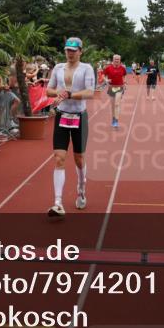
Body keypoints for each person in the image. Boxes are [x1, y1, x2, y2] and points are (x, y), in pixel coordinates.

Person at [45, 37, 95, 218]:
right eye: (67, 50)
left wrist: (70, 94)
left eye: (73, 50)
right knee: (59, 158)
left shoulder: (86, 68)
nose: (70, 53)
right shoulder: (58, 68)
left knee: (79, 159)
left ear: (80, 51)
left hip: (79, 117)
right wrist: (58, 92)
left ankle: (81, 190)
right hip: (62, 116)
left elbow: (90, 92)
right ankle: (58, 202)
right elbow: (48, 90)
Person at [103, 54, 127, 129]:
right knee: (113, 105)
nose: (116, 60)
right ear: (113, 60)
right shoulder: (108, 68)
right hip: (111, 87)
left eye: (118, 59)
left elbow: (124, 76)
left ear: (120, 60)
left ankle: (116, 120)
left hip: (119, 87)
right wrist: (106, 80)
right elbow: (103, 75)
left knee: (117, 104)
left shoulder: (122, 68)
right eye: (115, 59)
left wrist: (124, 82)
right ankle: (113, 118)